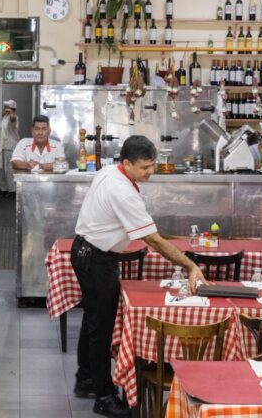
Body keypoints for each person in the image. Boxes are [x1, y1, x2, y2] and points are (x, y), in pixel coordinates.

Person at [71, 135, 206, 417]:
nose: (150, 172)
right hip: (95, 258)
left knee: (92, 321)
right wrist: (191, 266)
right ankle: (104, 396)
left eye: (152, 165)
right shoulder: (122, 191)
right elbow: (153, 241)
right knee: (100, 328)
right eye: (145, 167)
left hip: (86, 250)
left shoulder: (110, 171)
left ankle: (86, 379)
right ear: (126, 163)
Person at [0, 100, 20, 197]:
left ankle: (12, 191)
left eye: (7, 107)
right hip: (3, 147)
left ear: (12, 109)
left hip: (10, 147)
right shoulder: (4, 118)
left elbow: (13, 120)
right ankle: (4, 189)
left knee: (9, 170)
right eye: (5, 107)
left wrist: (11, 113)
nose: (5, 109)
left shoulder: (14, 118)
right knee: (2, 170)